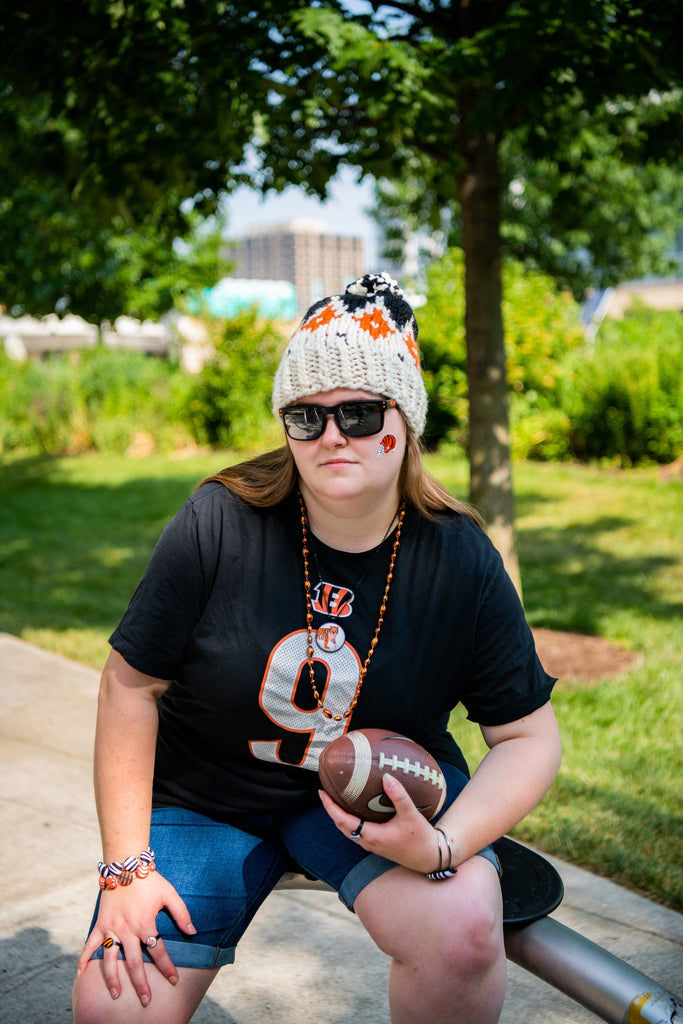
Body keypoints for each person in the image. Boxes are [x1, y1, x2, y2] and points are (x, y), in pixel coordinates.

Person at [72, 272, 561, 1024]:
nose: (333, 434)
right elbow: (128, 686)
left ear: (407, 418)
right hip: (206, 795)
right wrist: (125, 869)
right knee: (116, 1005)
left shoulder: (456, 557)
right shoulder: (218, 521)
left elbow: (528, 737)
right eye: (306, 416)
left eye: (361, 413)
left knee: (463, 930)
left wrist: (440, 844)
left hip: (375, 797)